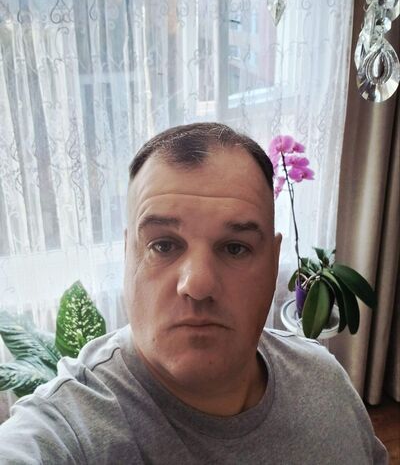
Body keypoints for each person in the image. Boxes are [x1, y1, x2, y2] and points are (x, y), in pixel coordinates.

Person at [0, 122, 388, 464]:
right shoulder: (70, 428)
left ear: (274, 264)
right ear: (127, 256)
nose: (198, 285)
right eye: (163, 245)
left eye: (235, 248)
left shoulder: (324, 378)